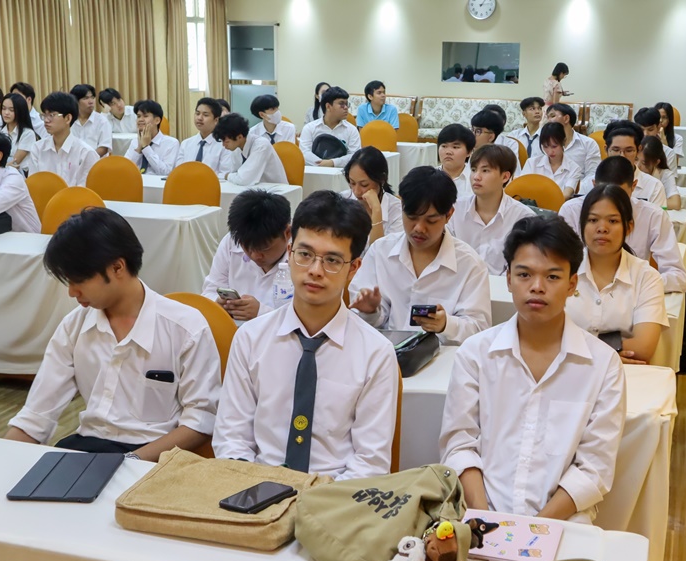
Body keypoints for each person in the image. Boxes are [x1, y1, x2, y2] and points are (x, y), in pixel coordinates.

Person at [438, 215, 626, 523]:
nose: (537, 287)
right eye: (524, 274)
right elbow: (459, 445)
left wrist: (532, 528)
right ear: (508, 278)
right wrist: (484, 520)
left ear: (572, 284)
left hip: (563, 519)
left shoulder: (603, 365)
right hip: (479, 513)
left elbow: (594, 468)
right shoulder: (476, 354)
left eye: (552, 277)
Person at [5, 207, 221, 460]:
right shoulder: (74, 327)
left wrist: (130, 462)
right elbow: (36, 416)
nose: (72, 292)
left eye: (79, 280)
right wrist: (0, 459)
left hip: (154, 454)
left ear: (118, 267)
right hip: (89, 447)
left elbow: (200, 422)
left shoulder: (185, 328)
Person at [212, 191, 398, 480]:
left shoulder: (376, 353)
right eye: (305, 254)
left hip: (334, 495)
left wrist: (315, 501)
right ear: (289, 252)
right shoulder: (250, 338)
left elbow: (370, 463)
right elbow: (231, 439)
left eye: (332, 260)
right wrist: (254, 492)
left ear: (353, 268)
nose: (315, 271)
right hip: (255, 488)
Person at [349, 166, 491, 346]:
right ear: (402, 206)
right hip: (387, 355)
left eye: (431, 221)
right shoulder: (381, 252)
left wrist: (446, 324)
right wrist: (370, 312)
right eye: (412, 217)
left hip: (443, 360)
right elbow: (361, 322)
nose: (419, 228)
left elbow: (480, 330)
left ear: (449, 215)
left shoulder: (469, 264)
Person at [567, 185, 668, 365]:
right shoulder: (561, 269)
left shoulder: (646, 277)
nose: (602, 228)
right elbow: (543, 336)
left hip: (624, 374)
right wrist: (610, 351)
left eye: (612, 221)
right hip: (567, 369)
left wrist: (574, 348)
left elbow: (643, 347)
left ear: (629, 227)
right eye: (593, 220)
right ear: (581, 225)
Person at [559, 156, 686, 293]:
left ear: (633, 187)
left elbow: (679, 277)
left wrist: (636, 284)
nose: (610, 203)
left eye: (613, 221)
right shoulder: (571, 210)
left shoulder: (652, 215)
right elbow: (557, 264)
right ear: (594, 185)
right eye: (593, 220)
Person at [202, 190, 291, 322]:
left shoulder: (303, 257)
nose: (255, 256)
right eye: (247, 248)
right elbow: (209, 291)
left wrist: (261, 313)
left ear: (287, 233)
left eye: (264, 248)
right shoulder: (232, 241)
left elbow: (307, 317)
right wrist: (218, 303)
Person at [449, 144, 535, 275]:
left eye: (485, 171)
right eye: (473, 170)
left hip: (503, 286)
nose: (476, 177)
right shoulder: (455, 210)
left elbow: (523, 266)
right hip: (459, 282)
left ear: (505, 177)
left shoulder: (523, 217)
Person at [26, 92, 100, 186]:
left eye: (52, 115)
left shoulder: (85, 153)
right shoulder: (38, 148)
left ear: (68, 118)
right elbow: (33, 185)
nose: (46, 120)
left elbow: (86, 190)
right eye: (44, 115)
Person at [341, 146, 403, 245]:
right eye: (352, 183)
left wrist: (376, 210)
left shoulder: (397, 211)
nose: (356, 191)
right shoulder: (343, 200)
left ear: (381, 180)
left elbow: (379, 252)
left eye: (364, 185)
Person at [214, 113, 288, 186]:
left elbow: (244, 180)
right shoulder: (236, 148)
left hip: (276, 190)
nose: (223, 145)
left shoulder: (261, 145)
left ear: (240, 137)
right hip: (253, 188)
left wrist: (227, 176)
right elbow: (236, 175)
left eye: (227, 142)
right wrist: (232, 176)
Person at [299, 86, 361, 168]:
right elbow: (304, 153)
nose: (346, 108)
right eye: (341, 104)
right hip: (315, 171)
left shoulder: (352, 130)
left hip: (341, 173)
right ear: (328, 106)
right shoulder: (310, 128)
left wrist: (333, 162)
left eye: (347, 104)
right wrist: (321, 164)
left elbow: (354, 155)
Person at [174, 97, 237, 177]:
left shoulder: (224, 145)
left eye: (205, 115)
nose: (199, 118)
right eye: (197, 113)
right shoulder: (186, 144)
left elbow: (225, 174)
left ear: (216, 120)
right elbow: (178, 171)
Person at [522, 122, 580, 199]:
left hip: (560, 205)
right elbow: (522, 189)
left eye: (554, 146)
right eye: (545, 146)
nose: (550, 152)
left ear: (564, 141)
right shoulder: (531, 163)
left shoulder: (574, 168)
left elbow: (566, 194)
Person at [545, 103, 600, 185]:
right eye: (547, 117)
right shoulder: (544, 144)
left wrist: (573, 188)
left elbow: (592, 175)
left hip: (578, 190)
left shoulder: (588, 143)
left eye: (552, 116)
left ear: (566, 118)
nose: (548, 121)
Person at [123, 99, 179, 176]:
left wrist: (146, 148)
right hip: (136, 182)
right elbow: (125, 169)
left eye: (145, 116)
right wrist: (139, 148)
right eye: (138, 116)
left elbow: (166, 173)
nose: (140, 120)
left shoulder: (171, 143)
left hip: (158, 183)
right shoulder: (135, 141)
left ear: (157, 120)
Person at [0, 93, 39, 172]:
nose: (6, 113)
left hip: (20, 174)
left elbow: (15, 162)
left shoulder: (28, 133)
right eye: (3, 108)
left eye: (11, 110)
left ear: (20, 111)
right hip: (1, 172)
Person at [69, 84, 113, 158]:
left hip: (97, 162)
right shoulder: (69, 121)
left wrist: (86, 159)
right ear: (75, 101)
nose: (91, 101)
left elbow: (104, 148)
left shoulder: (102, 121)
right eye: (86, 98)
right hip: (72, 161)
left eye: (92, 97)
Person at [638, 136, 680, 209]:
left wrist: (646, 202)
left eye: (644, 163)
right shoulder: (630, 171)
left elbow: (675, 203)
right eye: (636, 159)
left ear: (656, 162)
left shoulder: (665, 174)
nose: (638, 166)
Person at [436, 123, 476, 198]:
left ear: (469, 152)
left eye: (455, 147)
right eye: (444, 146)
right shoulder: (428, 178)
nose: (448, 152)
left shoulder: (476, 178)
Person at [483, 104, 523, 176]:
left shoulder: (510, 144)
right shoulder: (474, 141)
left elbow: (514, 173)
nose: (489, 122)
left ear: (503, 122)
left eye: (493, 119)